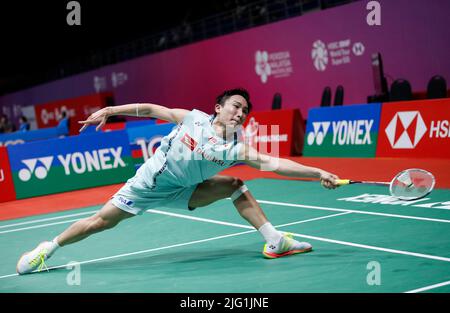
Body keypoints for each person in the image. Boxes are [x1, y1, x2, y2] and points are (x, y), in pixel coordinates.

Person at [16, 88, 339, 275]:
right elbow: (152, 109)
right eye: (235, 106)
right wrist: (112, 110)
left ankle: (275, 241)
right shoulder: (193, 119)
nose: (240, 113)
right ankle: (48, 249)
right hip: (147, 186)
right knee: (98, 223)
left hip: (185, 191)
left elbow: (276, 164)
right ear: (218, 108)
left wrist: (318, 173)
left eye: (244, 111)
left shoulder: (236, 147)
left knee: (234, 184)